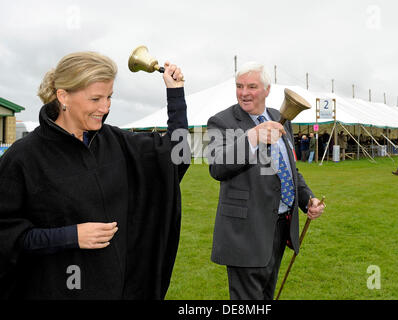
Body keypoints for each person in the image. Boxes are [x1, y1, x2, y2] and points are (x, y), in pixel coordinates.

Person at [0, 51, 190, 299]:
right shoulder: (24, 158)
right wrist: (71, 236)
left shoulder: (117, 142)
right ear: (63, 96)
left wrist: (175, 94)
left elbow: (176, 157)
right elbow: (6, 237)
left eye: (109, 97)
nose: (105, 107)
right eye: (95, 99)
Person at [207, 62, 324, 300]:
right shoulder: (221, 121)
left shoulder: (280, 119)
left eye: (252, 86)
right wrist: (252, 137)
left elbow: (289, 169)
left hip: (279, 227)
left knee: (266, 296)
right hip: (246, 231)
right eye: (239, 86)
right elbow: (217, 166)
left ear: (267, 89)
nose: (244, 92)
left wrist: (307, 199)